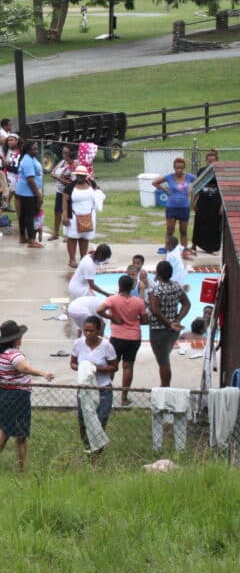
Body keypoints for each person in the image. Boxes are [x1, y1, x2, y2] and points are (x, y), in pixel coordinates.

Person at [0, 320, 54, 472]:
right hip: (16, 397)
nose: (21, 338)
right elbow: (24, 368)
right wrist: (44, 373)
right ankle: (21, 468)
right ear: (14, 339)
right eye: (19, 336)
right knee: (20, 434)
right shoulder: (13, 355)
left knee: (4, 429)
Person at [70, 315, 119, 453]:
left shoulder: (107, 346)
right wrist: (82, 367)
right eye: (85, 330)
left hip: (103, 388)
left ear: (98, 330)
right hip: (85, 388)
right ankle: (87, 447)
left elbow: (114, 367)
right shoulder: (78, 344)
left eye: (91, 331)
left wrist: (97, 369)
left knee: (101, 419)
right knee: (83, 419)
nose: (87, 333)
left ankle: (97, 450)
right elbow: (72, 363)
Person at [97, 274, 148, 407]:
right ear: (132, 287)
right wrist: (134, 319)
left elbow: (99, 310)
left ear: (119, 286)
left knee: (112, 366)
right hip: (134, 338)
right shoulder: (139, 302)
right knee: (128, 366)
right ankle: (124, 398)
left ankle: (106, 395)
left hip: (117, 338)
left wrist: (113, 319)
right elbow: (144, 320)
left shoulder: (112, 299)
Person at [148, 260, 191, 388]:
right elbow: (187, 304)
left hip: (159, 330)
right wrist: (177, 320)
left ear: (158, 273)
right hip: (173, 330)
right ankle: (165, 387)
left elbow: (155, 310)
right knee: (165, 358)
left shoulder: (156, 290)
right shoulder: (177, 286)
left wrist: (168, 323)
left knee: (163, 362)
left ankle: (165, 389)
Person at [152, 157, 197, 251]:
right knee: (170, 230)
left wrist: (192, 189)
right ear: (174, 167)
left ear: (184, 167)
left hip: (184, 207)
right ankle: (168, 248)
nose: (179, 170)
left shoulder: (189, 177)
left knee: (183, 231)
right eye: (177, 168)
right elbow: (154, 182)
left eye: (181, 168)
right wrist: (165, 189)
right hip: (172, 207)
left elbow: (199, 181)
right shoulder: (169, 177)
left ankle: (184, 249)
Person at [62, 165, 98, 268]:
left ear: (86, 176)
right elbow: (64, 201)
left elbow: (97, 192)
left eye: (82, 176)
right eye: (78, 175)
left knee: (85, 238)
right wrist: (65, 216)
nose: (80, 177)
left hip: (88, 216)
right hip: (73, 216)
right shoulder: (69, 187)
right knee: (72, 238)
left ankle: (83, 259)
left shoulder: (91, 184)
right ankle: (72, 259)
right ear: (76, 175)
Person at [191, 149, 222, 254]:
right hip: (203, 201)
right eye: (209, 161)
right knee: (199, 221)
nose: (211, 163)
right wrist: (193, 201)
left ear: (217, 161)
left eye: (213, 161)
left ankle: (211, 247)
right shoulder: (201, 171)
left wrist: (222, 205)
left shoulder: (220, 172)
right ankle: (195, 244)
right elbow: (196, 187)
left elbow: (223, 189)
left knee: (214, 224)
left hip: (215, 202)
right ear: (206, 161)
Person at [15, 141, 44, 248]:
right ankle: (31, 240)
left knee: (23, 215)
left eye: (37, 148)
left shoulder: (30, 158)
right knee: (29, 216)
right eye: (34, 149)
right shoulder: (27, 160)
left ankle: (23, 236)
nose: (36, 151)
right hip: (28, 193)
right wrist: (38, 195)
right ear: (28, 150)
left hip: (25, 192)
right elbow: (30, 180)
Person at [49, 145, 75, 241]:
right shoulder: (62, 162)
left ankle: (69, 235)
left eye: (66, 152)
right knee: (57, 212)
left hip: (69, 192)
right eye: (63, 152)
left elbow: (74, 178)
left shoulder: (74, 164)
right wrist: (60, 178)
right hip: (59, 191)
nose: (64, 154)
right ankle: (55, 233)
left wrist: (65, 180)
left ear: (71, 153)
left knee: (68, 214)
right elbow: (52, 173)